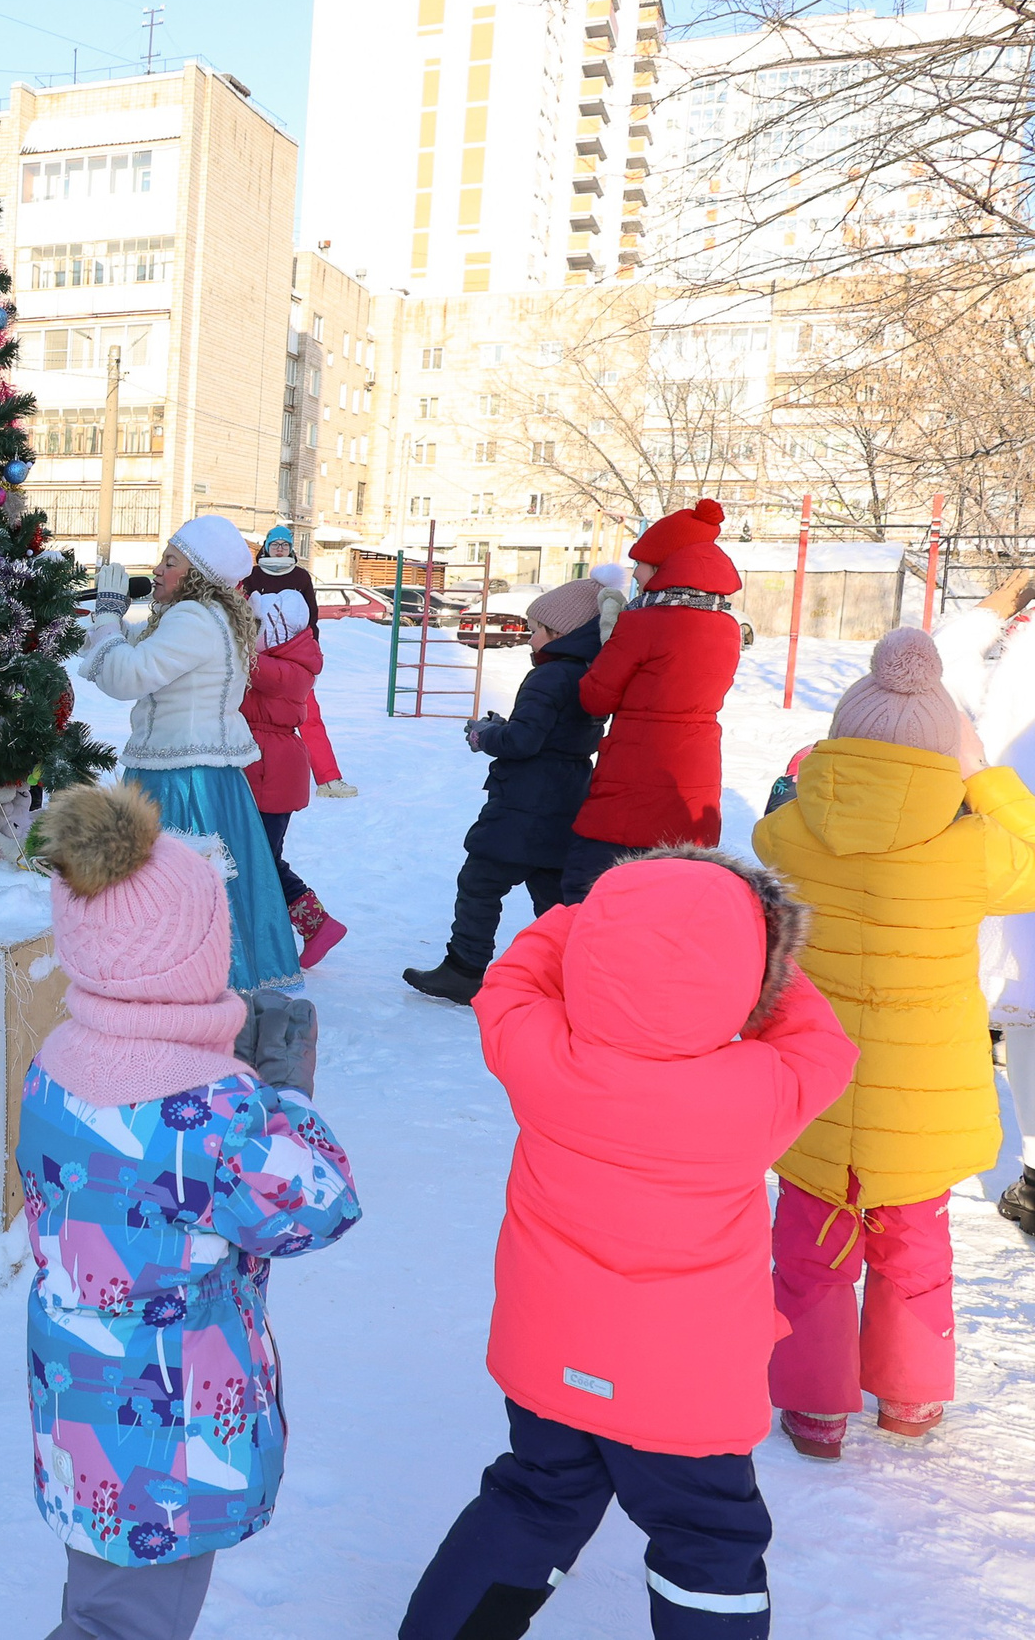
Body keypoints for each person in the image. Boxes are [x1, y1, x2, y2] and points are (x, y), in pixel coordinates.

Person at [399, 849, 854, 1639]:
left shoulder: (540, 1054)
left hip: (550, 1357)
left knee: (534, 1497)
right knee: (707, 1537)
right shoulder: (758, 1090)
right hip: (686, 1388)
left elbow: (511, 978)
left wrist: (592, 923)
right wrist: (760, 960)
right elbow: (822, 1041)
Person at [17, 782, 360, 1640]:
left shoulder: (56, 1059)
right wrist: (285, 1097)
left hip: (81, 1402)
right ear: (191, 959)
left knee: (100, 1599)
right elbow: (318, 1204)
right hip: (165, 1427)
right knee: (121, 1626)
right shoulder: (213, 1113)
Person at [752, 628, 1035, 1455]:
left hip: (814, 1087)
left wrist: (814, 775)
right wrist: (983, 774)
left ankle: (815, 1407)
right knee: (914, 1250)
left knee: (809, 1254)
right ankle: (910, 1397)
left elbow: (768, 841)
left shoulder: (788, 832)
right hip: (923, 1101)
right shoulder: (970, 849)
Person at [77, 515, 302, 992]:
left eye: (170, 562)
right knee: (209, 885)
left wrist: (108, 616)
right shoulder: (204, 615)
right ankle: (216, 976)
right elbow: (135, 654)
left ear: (196, 573)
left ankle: (184, 980)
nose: (158, 570)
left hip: (180, 777)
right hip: (201, 773)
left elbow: (127, 675)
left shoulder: (193, 618)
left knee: (174, 886)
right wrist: (105, 624)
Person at [403, 575, 611, 1005]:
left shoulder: (548, 677)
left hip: (524, 801)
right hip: (568, 797)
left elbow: (523, 742)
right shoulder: (590, 675)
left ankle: (464, 969)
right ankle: (570, 975)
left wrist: (485, 735)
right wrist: (506, 727)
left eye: (536, 629)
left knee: (480, 881)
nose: (530, 637)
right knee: (554, 898)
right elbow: (555, 734)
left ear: (560, 633)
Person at [561, 501, 742, 903]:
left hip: (634, 778)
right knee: (665, 902)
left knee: (588, 892)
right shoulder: (727, 625)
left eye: (641, 564)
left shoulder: (643, 622)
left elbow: (595, 698)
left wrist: (608, 646)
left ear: (665, 566)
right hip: (693, 781)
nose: (636, 574)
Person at [932, 567, 1035, 1234]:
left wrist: (1002, 602)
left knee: (1024, 1021)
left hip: (1012, 855)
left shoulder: (1022, 650)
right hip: (1012, 854)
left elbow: (933, 666)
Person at [240, 586, 346, 968]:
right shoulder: (281, 658)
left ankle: (317, 925)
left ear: (276, 630)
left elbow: (249, 666)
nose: (250, 633)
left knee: (263, 859)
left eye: (256, 626)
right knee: (260, 856)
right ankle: (306, 927)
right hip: (266, 768)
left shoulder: (291, 669)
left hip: (273, 772)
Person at [242, 523, 354, 798]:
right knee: (247, 717)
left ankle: (328, 779)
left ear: (291, 549)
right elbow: (243, 613)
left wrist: (310, 654)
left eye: (285, 545)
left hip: (292, 656)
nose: (280, 549)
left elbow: (311, 619)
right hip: (257, 656)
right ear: (266, 548)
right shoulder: (252, 576)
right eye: (275, 544)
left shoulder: (301, 576)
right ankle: (240, 779)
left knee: (309, 716)